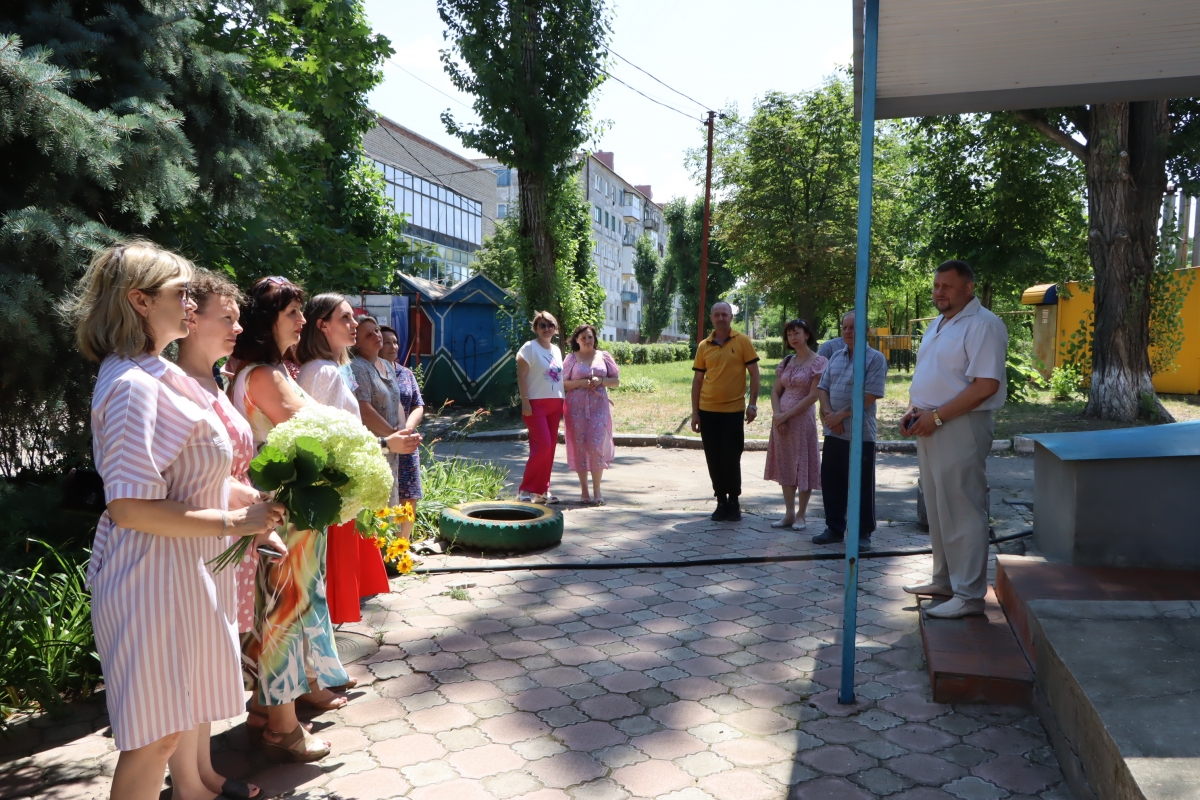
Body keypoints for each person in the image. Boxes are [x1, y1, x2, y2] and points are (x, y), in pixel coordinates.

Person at [65, 242, 285, 800]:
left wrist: (258, 499)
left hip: (181, 572)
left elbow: (193, 472)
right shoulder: (132, 384)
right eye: (180, 292)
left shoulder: (159, 372)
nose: (191, 303)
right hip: (148, 579)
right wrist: (237, 520)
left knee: (170, 729)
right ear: (139, 301)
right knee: (155, 740)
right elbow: (131, 506)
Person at [173, 269, 269, 800]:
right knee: (193, 667)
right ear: (190, 321)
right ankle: (188, 782)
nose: (236, 327)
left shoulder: (211, 378)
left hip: (232, 536)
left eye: (238, 318)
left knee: (214, 659)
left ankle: (203, 770)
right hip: (203, 540)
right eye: (225, 318)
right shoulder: (175, 384)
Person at [297, 296, 419, 624]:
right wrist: (384, 443)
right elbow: (329, 441)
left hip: (342, 490)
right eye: (347, 318)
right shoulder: (322, 372)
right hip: (333, 493)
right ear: (323, 325)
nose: (355, 324)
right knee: (330, 584)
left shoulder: (333, 369)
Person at [901, 260, 1007, 619]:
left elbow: (985, 385)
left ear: (968, 288)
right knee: (938, 507)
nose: (939, 292)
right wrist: (915, 411)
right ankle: (945, 580)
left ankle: (969, 594)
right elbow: (934, 375)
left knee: (962, 508)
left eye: (947, 286)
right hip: (930, 423)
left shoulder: (983, 325)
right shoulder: (937, 324)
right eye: (936, 285)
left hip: (961, 425)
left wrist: (938, 415)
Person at [815, 311, 888, 551]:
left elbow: (871, 394)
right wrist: (828, 414)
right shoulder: (835, 356)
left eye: (853, 328)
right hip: (833, 431)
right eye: (845, 327)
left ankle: (863, 532)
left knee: (861, 483)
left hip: (860, 434)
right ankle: (834, 528)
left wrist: (841, 414)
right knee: (832, 480)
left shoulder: (875, 359)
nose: (848, 331)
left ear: (866, 330)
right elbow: (822, 387)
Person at [351, 315, 425, 539]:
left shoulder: (386, 366)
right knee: (374, 506)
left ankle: (395, 549)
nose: (376, 336)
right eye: (368, 334)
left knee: (396, 499)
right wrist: (394, 436)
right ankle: (378, 557)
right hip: (377, 447)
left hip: (394, 445)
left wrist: (404, 432)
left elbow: (400, 403)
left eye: (376, 331)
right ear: (356, 342)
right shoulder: (356, 367)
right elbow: (364, 411)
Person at [691, 301, 761, 522]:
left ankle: (734, 500)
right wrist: (695, 412)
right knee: (713, 457)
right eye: (717, 315)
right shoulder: (704, 345)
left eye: (725, 314)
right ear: (711, 318)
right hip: (707, 410)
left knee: (732, 456)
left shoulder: (742, 341)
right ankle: (721, 500)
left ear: (731, 317)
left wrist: (752, 404)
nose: (721, 318)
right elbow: (698, 380)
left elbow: (755, 374)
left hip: (733, 410)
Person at [764, 319, 826, 530]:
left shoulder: (818, 362)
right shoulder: (786, 361)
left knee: (803, 465)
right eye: (789, 334)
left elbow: (813, 396)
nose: (793, 337)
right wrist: (777, 415)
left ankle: (802, 515)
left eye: (797, 333)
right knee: (786, 464)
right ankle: (789, 513)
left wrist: (786, 415)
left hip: (801, 421)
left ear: (807, 335)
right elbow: (775, 391)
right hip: (781, 422)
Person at [562, 324, 620, 505]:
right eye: (583, 338)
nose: (587, 341)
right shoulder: (571, 358)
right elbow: (563, 383)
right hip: (575, 407)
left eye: (590, 337)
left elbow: (616, 381)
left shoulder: (604, 357)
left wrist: (600, 380)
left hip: (599, 406)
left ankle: (597, 491)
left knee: (595, 445)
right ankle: (584, 492)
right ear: (576, 340)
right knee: (580, 446)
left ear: (595, 339)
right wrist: (581, 383)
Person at [516, 311, 565, 504]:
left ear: (555, 328)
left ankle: (542, 491)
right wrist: (525, 401)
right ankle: (525, 490)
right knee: (542, 446)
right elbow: (521, 376)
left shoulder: (556, 350)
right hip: (535, 404)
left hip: (555, 404)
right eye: (542, 325)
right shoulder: (529, 348)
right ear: (536, 328)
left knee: (550, 448)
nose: (547, 329)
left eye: (550, 325)